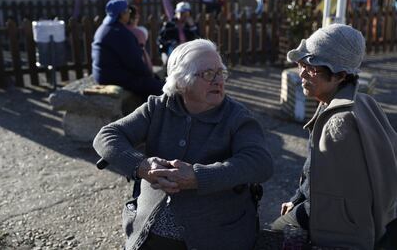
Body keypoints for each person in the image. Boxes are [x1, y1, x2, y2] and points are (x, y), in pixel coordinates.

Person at [93, 39, 273, 250]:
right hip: (150, 229)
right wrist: (143, 167)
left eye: (220, 73)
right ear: (181, 82)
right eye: (208, 74)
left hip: (217, 234)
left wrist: (198, 177)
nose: (218, 81)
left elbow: (260, 163)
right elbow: (107, 136)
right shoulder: (158, 107)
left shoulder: (237, 117)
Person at [271, 24, 397, 249]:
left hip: (347, 230)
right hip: (377, 219)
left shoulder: (339, 123)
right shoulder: (362, 101)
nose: (302, 73)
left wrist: (301, 206)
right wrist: (297, 198)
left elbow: (331, 198)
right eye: (302, 64)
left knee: (274, 233)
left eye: (312, 68)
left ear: (340, 75)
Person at [91, 0, 163, 100]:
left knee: (154, 81)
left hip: (101, 74)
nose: (129, 14)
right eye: (128, 11)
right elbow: (134, 62)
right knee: (161, 89)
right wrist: (149, 75)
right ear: (122, 14)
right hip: (113, 77)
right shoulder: (120, 33)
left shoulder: (103, 28)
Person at [126, 5, 152, 72]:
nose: (138, 19)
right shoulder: (139, 33)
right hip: (138, 69)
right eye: (137, 17)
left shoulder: (117, 31)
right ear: (132, 19)